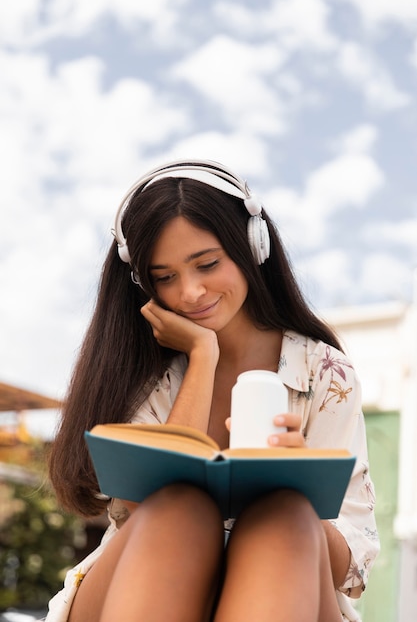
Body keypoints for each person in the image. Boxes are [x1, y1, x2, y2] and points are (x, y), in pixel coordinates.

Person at [46, 159, 379, 622]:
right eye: (165, 278)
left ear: (252, 247)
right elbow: (144, 512)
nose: (191, 293)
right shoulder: (141, 372)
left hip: (289, 586)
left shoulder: (325, 374)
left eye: (207, 264)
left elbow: (352, 569)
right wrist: (202, 358)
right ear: (143, 283)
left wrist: (299, 487)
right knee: (179, 507)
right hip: (143, 583)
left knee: (284, 515)